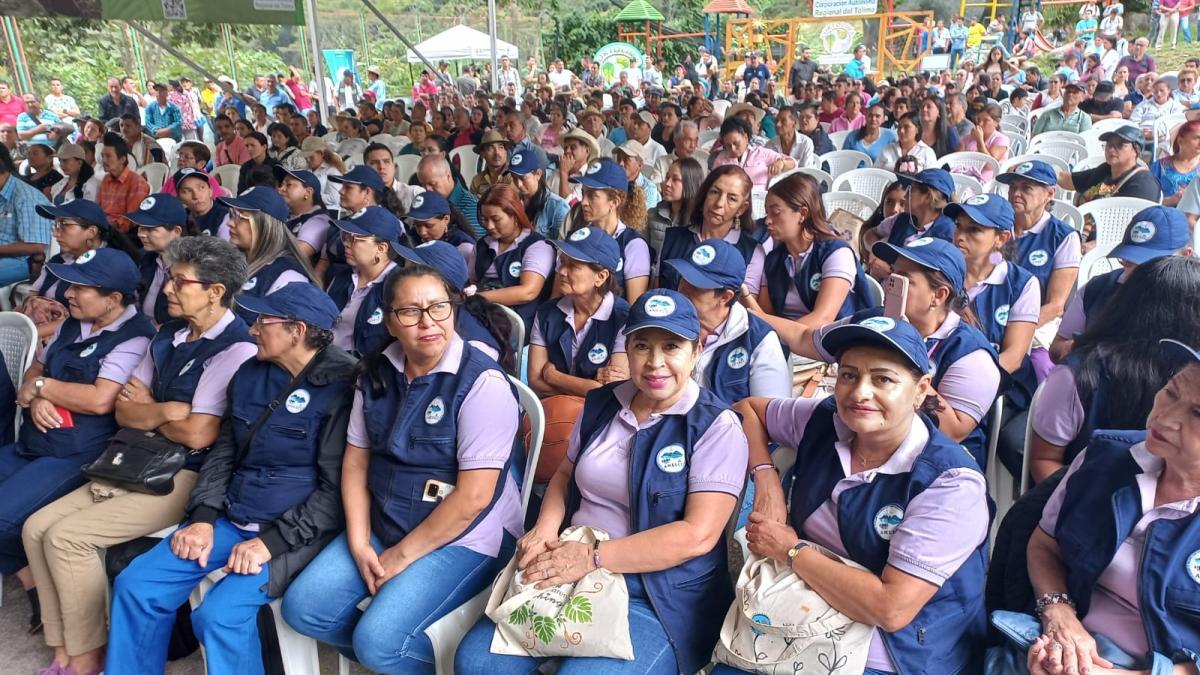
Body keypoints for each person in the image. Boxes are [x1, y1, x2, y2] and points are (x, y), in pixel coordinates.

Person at [457, 288, 747, 675]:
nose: (655, 362)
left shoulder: (714, 426)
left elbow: (696, 536)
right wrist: (545, 528)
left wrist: (591, 558)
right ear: (626, 348)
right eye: (642, 346)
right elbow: (564, 474)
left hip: (656, 593)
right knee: (477, 664)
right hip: (572, 562)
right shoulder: (602, 402)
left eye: (671, 347)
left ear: (696, 350)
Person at [23, 236, 255, 675]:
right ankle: (64, 649)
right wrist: (165, 412)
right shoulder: (169, 334)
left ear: (215, 291)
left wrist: (151, 412)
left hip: (184, 474)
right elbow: (127, 412)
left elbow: (201, 433)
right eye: (168, 278)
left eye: (178, 281)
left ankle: (89, 655)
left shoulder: (234, 347)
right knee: (36, 528)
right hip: (136, 457)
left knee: (66, 537)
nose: (166, 288)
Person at [283, 262, 521, 673]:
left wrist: (398, 558)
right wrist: (360, 543)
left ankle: (404, 655)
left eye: (438, 307)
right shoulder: (376, 374)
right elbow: (356, 463)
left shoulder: (482, 383)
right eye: (410, 311)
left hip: (465, 535)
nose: (427, 322)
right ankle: (405, 655)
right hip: (388, 517)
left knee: (378, 642)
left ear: (454, 310)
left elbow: (474, 497)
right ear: (390, 322)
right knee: (304, 609)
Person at [107, 282, 354, 674]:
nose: (252, 329)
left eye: (262, 321)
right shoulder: (251, 374)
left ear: (297, 331)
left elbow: (338, 491)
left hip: (296, 534)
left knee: (217, 616)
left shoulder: (343, 388)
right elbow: (225, 453)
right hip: (234, 514)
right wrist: (203, 517)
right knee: (138, 584)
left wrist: (270, 543)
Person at [720, 315, 990, 675]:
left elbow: (891, 609)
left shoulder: (950, 484)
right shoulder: (825, 420)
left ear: (922, 389)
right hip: (801, 605)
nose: (860, 392)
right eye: (848, 375)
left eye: (883, 379)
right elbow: (749, 409)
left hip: (897, 647)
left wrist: (789, 550)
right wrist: (766, 478)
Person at [996, 338, 1200, 675]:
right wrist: (1058, 614)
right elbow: (1044, 544)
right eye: (1172, 392)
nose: (1165, 417)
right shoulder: (1105, 457)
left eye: (1198, 413)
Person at [3, 249, 154, 633]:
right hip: (34, 443)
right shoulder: (74, 324)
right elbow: (34, 371)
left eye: (80, 287)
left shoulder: (135, 338)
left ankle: (46, 594)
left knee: (4, 517)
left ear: (113, 299)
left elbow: (100, 398)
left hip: (78, 455)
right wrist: (38, 394)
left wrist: (43, 388)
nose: (68, 293)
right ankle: (34, 582)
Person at [799, 238, 1003, 466]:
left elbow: (954, 431)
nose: (889, 284)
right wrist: (757, 317)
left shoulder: (971, 354)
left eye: (904, 279)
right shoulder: (875, 320)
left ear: (939, 295)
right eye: (892, 274)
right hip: (868, 445)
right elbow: (805, 339)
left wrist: (903, 350)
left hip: (929, 465)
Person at [743, 172, 874, 345]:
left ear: (802, 214)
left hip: (831, 345)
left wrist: (774, 338)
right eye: (767, 213)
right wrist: (745, 294)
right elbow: (767, 317)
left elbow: (823, 319)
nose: (767, 221)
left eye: (775, 212)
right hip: (784, 342)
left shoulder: (836, 253)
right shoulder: (773, 260)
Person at [1051, 206, 1192, 362]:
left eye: (1152, 265)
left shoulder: (1192, 303)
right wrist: (1078, 348)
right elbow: (1056, 348)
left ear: (1186, 256)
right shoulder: (1097, 289)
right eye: (1129, 262)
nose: (1137, 273)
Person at [663, 238, 791, 404]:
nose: (682, 289)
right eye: (683, 279)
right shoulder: (663, 322)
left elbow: (770, 414)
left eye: (695, 286)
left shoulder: (757, 338)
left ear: (725, 296)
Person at [529, 226, 630, 398]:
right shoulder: (547, 313)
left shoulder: (624, 318)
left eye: (573, 266)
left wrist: (554, 376)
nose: (561, 271)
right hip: (552, 410)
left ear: (601, 277)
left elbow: (612, 391)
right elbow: (535, 380)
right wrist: (587, 387)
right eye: (562, 261)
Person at [657, 165, 765, 296]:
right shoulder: (673, 238)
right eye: (715, 192)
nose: (719, 203)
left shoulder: (751, 252)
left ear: (741, 208)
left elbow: (745, 309)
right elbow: (656, 290)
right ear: (704, 195)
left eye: (732, 198)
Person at [219, 187, 318, 322]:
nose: (230, 223)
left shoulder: (288, 276)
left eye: (240, 216)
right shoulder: (233, 258)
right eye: (231, 214)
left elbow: (279, 337)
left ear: (264, 225)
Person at [470, 183, 555, 329]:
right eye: (485, 219)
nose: (489, 226)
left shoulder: (537, 246)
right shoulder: (482, 245)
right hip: (481, 314)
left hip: (518, 322)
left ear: (514, 215)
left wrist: (480, 298)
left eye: (496, 219)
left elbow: (528, 291)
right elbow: (472, 281)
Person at [568, 158, 653, 302]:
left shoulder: (633, 245)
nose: (584, 202)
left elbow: (633, 306)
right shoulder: (576, 237)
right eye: (583, 193)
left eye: (592, 195)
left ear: (614, 202)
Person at [327, 206, 401, 357]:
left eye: (354, 238)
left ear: (381, 248)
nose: (346, 243)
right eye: (345, 236)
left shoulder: (398, 287)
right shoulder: (342, 275)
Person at [1060, 125, 1163, 205]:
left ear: (1136, 151)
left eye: (1120, 145)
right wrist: (1047, 173)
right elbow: (1070, 180)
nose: (1111, 149)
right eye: (1109, 144)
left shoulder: (1144, 184)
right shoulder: (1107, 169)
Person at [129, 193, 188, 325]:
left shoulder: (193, 268)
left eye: (150, 229)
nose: (141, 234)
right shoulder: (145, 259)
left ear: (177, 232)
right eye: (140, 227)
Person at [871, 169, 957, 249]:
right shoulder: (903, 219)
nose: (905, 196)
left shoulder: (948, 233)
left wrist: (887, 264)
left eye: (911, 190)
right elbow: (870, 233)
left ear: (927, 197)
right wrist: (875, 253)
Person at [711, 117, 795, 192]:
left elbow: (793, 163)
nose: (733, 149)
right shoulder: (720, 160)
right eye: (728, 145)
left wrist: (782, 163)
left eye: (736, 143)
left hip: (760, 201)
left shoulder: (760, 153)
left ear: (746, 137)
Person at [648, 156, 704, 258]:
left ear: (690, 183)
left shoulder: (699, 222)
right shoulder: (652, 214)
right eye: (667, 177)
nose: (667, 184)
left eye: (675, 179)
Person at [96, 133, 151, 235]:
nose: (103, 160)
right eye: (102, 156)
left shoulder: (137, 182)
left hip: (121, 234)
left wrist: (108, 227)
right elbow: (98, 209)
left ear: (122, 159)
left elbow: (131, 219)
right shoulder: (106, 179)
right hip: (102, 227)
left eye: (108, 156)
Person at [275, 165, 332, 261]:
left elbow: (294, 255)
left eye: (288, 185)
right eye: (281, 184)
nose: (281, 189)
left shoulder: (319, 221)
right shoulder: (286, 215)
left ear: (308, 192)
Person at [405, 191, 476, 263]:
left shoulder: (463, 248)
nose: (422, 232)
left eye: (429, 226)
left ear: (446, 219)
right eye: (417, 225)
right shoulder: (412, 238)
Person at [1150, 120, 1200, 206]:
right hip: (1167, 216)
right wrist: (1170, 201)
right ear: (1180, 140)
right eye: (1197, 138)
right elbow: (1147, 200)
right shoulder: (1159, 167)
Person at [960, 102, 1010, 175]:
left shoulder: (1002, 140)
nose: (980, 123)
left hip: (987, 180)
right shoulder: (969, 137)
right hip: (964, 175)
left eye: (986, 120)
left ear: (996, 122)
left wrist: (979, 141)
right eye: (979, 119)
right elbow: (957, 158)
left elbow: (990, 165)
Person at [300, 137, 345, 211]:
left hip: (328, 211)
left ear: (321, 154)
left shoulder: (332, 171)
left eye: (311, 157)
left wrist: (311, 197)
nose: (307, 160)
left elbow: (336, 198)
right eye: (305, 157)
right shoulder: (305, 169)